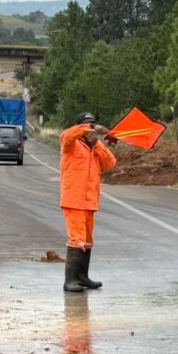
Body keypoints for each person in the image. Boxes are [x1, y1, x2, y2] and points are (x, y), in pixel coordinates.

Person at [59, 112, 117, 292]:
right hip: (74, 200)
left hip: (90, 202)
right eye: (87, 125)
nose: (90, 128)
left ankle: (82, 277)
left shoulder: (94, 148)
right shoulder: (71, 144)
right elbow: (66, 135)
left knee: (87, 241)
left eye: (92, 124)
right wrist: (92, 128)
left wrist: (97, 143)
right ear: (80, 127)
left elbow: (110, 163)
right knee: (76, 240)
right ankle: (70, 281)